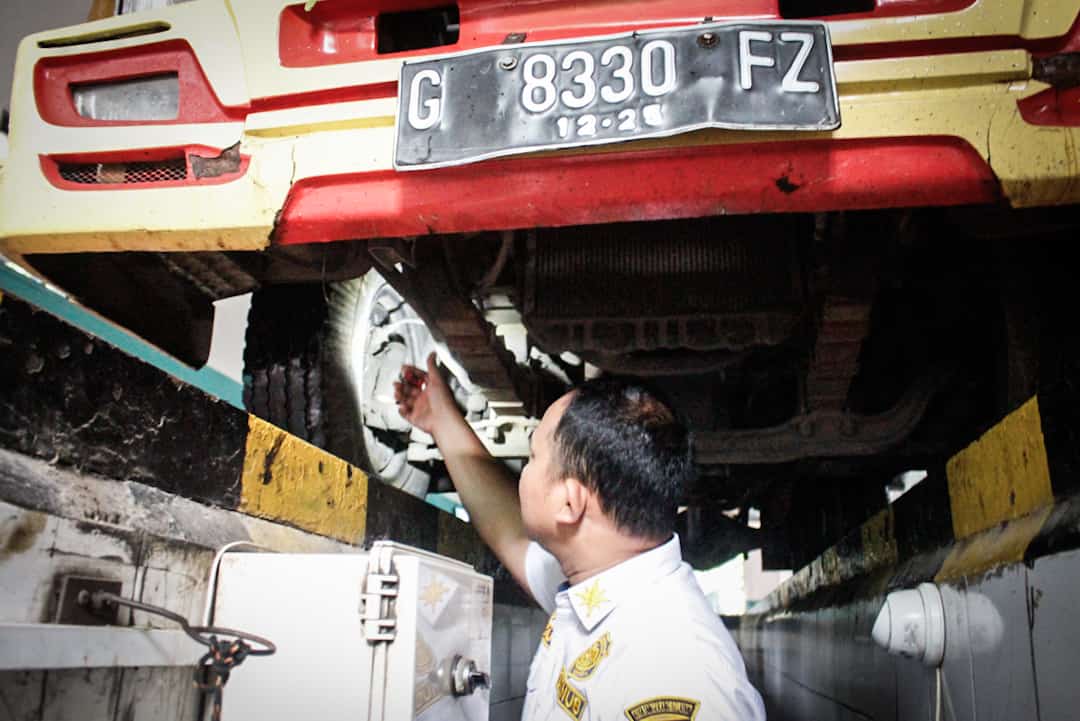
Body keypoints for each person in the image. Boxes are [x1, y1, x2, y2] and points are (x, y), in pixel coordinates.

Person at [395, 354, 766, 721]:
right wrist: (439, 418)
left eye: (533, 457)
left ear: (570, 503)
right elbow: (508, 532)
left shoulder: (673, 677)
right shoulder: (610, 581)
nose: (525, 470)